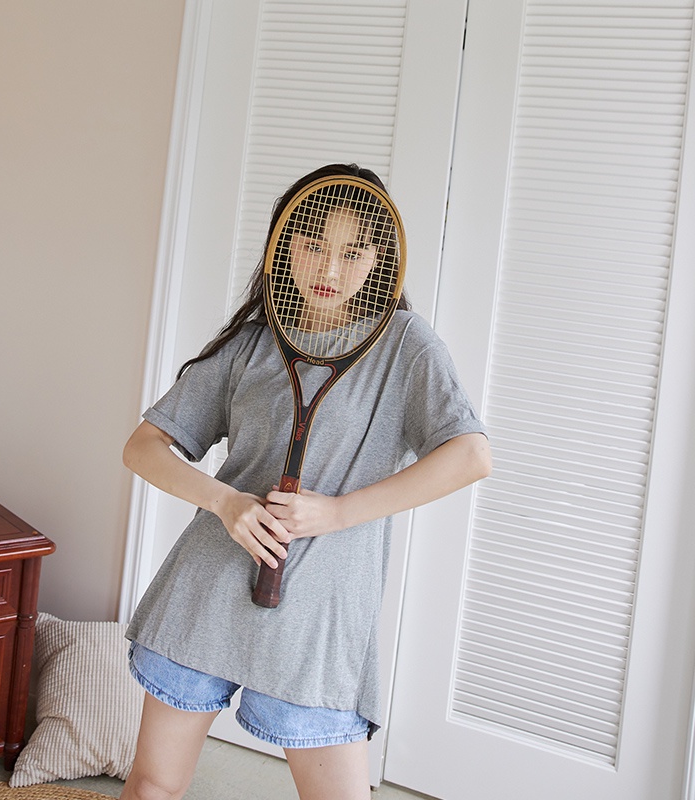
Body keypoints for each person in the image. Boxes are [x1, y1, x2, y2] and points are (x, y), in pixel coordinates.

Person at [120, 163, 491, 800]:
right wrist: (225, 502)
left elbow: (471, 456)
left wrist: (338, 513)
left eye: (353, 252)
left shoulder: (406, 346)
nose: (329, 268)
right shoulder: (250, 345)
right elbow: (142, 448)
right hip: (208, 590)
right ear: (282, 243)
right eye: (314, 243)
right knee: (153, 785)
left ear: (380, 260)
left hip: (320, 617)